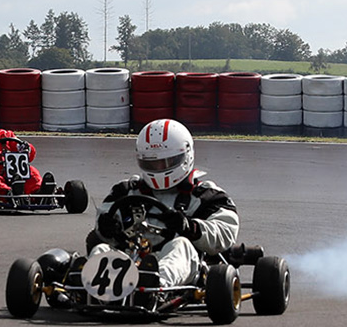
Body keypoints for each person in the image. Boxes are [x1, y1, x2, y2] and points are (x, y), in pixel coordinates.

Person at [91, 118, 239, 288]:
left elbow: (225, 233)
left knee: (181, 244)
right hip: (131, 257)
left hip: (182, 263)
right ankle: (95, 287)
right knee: (101, 249)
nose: (158, 168)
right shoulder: (125, 190)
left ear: (185, 156)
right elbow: (104, 217)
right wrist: (107, 226)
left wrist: (190, 227)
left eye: (165, 163)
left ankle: (155, 285)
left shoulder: (206, 195)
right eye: (151, 163)